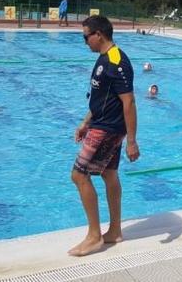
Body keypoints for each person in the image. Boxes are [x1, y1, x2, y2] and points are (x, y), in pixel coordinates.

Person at [70, 15, 139, 256]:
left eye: (85, 36)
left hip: (108, 128)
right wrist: (85, 122)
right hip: (101, 124)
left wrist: (131, 140)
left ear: (99, 34)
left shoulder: (116, 61)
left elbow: (128, 102)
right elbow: (102, 99)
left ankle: (94, 236)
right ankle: (115, 231)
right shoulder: (103, 58)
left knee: (78, 175)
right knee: (109, 174)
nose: (84, 41)